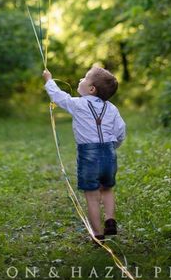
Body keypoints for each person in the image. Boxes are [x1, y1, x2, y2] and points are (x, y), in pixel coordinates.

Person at [42, 65, 126, 243]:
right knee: (107, 189)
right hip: (109, 153)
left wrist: (49, 80)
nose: (80, 80)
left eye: (84, 78)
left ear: (91, 89)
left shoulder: (78, 104)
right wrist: (113, 146)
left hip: (88, 155)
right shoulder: (112, 108)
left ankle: (98, 235)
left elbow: (59, 97)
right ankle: (110, 219)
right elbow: (120, 131)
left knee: (92, 197)